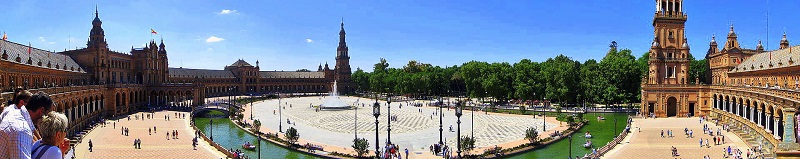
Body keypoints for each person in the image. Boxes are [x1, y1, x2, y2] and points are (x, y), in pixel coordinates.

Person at [0, 92, 59, 158]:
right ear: (42, 110)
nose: (49, 118)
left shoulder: (14, 111)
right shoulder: (21, 130)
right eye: (49, 114)